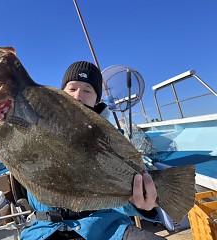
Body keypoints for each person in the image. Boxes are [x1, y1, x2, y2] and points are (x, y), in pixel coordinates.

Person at [20, 61, 165, 240]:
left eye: (87, 90)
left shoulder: (112, 141)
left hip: (105, 228)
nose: (78, 96)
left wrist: (143, 204)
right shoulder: (35, 126)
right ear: (61, 93)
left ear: (97, 99)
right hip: (45, 229)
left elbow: (123, 196)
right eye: (72, 89)